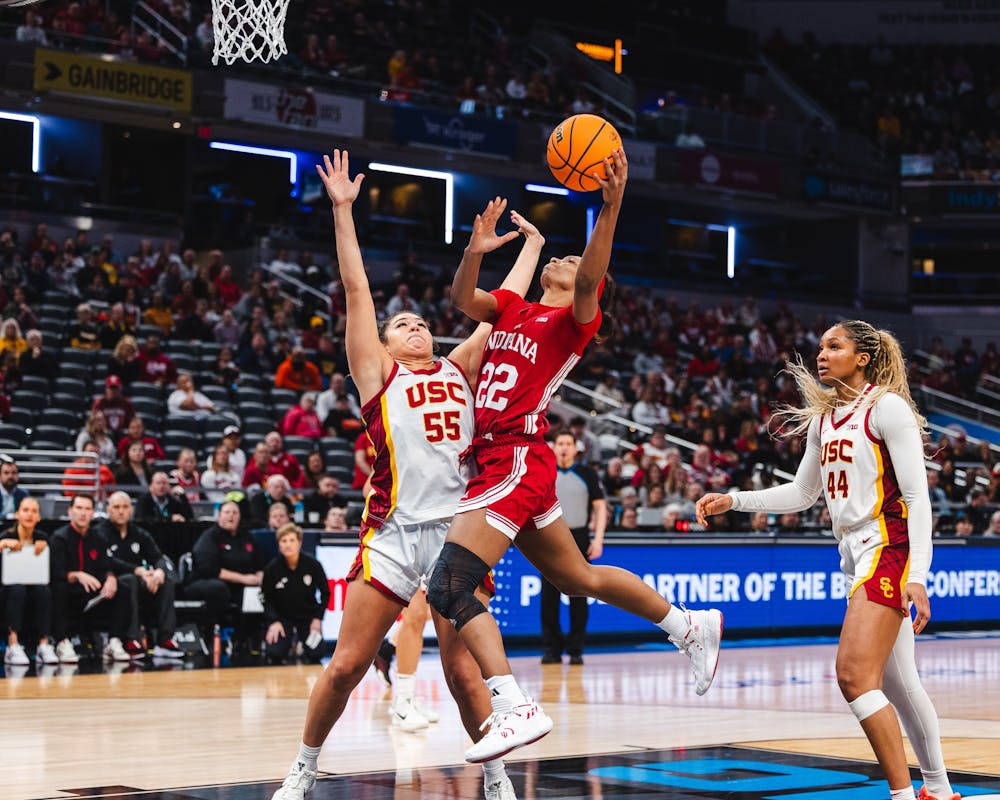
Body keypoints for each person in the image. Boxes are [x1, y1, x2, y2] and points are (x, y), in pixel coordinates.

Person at [425, 148, 723, 765]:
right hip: (504, 462)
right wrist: (476, 252)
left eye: (567, 260)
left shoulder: (573, 322)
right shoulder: (517, 307)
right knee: (576, 578)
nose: (558, 259)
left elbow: (588, 276)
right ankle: (688, 625)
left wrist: (609, 208)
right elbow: (462, 301)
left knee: (451, 583)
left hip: (513, 459)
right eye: (556, 256)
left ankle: (516, 705)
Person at [270, 150, 539, 800]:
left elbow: (503, 309)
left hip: (456, 535)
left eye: (421, 321)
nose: (415, 324)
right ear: (384, 343)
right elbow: (358, 289)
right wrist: (342, 210)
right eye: (402, 323)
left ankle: (497, 779)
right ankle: (303, 769)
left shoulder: (457, 367)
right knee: (346, 668)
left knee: (463, 671)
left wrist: (531, 245)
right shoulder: (377, 374)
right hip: (391, 533)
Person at [695, 319, 959, 800]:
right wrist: (734, 500)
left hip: (887, 546)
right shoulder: (823, 419)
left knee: (854, 675)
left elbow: (919, 499)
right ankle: (939, 790)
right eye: (820, 346)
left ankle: (904, 795)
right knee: (900, 685)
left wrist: (917, 575)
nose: (821, 354)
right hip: (855, 553)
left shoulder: (887, 407)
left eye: (834, 346)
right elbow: (802, 492)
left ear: (862, 358)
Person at [540, 431, 607, 665]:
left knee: (580, 594)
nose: (564, 448)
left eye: (568, 443)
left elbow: (600, 508)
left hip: (579, 536)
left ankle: (576, 648)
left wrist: (597, 540)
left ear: (576, 448)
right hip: (549, 536)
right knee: (549, 597)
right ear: (553, 447)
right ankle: (552, 648)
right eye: (560, 443)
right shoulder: (544, 471)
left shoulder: (587, 473)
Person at [49, 494, 136, 663]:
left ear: (93, 513)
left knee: (123, 588)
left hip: (92, 595)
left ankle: (114, 641)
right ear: (70, 511)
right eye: (79, 508)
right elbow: (55, 572)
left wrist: (110, 577)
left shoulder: (98, 538)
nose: (83, 513)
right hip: (69, 593)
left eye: (87, 509)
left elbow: (105, 567)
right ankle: (62, 642)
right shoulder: (59, 538)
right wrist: (77, 575)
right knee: (58, 588)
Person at [99, 491, 185, 659]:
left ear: (131, 510)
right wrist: (137, 571)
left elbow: (158, 556)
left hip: (141, 582)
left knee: (166, 581)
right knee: (130, 580)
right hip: (113, 583)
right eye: (116, 507)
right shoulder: (100, 533)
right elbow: (107, 561)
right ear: (108, 510)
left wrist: (159, 571)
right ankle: (131, 639)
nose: (121, 511)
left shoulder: (139, 533)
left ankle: (164, 640)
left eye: (125, 507)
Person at [184, 501, 266, 646]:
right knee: (218, 588)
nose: (231, 516)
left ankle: (245, 639)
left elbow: (260, 562)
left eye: (235, 513)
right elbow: (208, 569)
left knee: (257, 593)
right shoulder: (210, 536)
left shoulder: (246, 537)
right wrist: (243, 578)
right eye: (227, 512)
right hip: (204, 582)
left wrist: (260, 576)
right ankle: (212, 634)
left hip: (239, 585)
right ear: (219, 516)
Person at [261, 523, 330, 664]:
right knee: (274, 654)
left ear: (299, 543)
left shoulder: (313, 564)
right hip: (282, 618)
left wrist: (317, 618)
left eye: (292, 540)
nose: (288, 545)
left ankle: (301, 645)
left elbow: (326, 593)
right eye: (284, 541)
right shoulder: (272, 568)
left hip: (307, 617)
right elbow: (265, 598)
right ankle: (289, 644)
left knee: (317, 653)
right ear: (279, 545)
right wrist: (273, 621)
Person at [1, 498, 58, 666]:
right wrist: (2, 545)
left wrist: (46, 547)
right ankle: (13, 645)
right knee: (17, 588)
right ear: (17, 514)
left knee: (44, 590)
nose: (29, 514)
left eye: (34, 511)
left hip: (34, 590)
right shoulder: (6, 536)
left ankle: (43, 645)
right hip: (8, 591)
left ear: (39, 517)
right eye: (25, 510)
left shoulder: (42, 537)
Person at [0, 454, 30, 519]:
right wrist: (10, 517)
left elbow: (29, 513)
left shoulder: (23, 494)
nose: (10, 476)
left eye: (14, 473)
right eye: (6, 473)